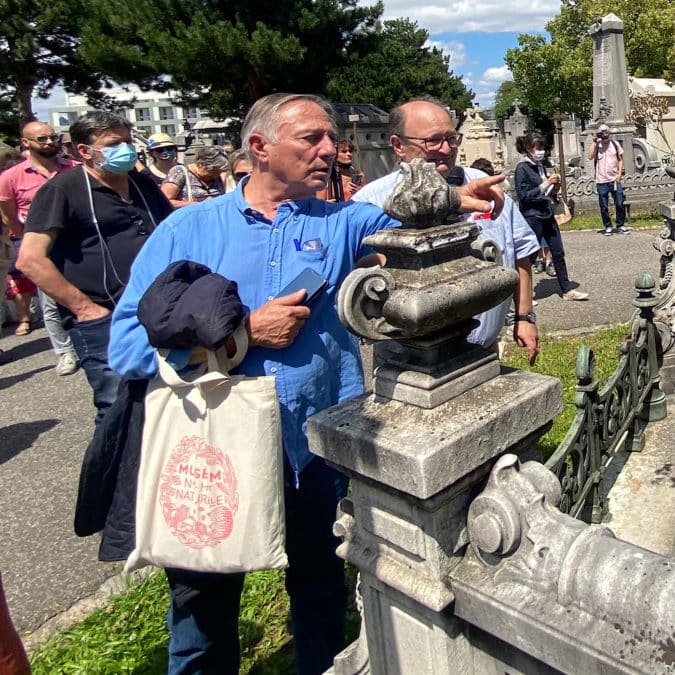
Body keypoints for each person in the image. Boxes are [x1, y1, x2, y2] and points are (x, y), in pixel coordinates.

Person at [108, 92, 505, 675]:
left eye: (331, 138)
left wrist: (453, 196)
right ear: (260, 148)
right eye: (312, 139)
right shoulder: (188, 230)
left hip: (314, 448)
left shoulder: (342, 222)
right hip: (218, 451)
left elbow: (404, 215)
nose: (330, 150)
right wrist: (240, 337)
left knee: (320, 586)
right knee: (202, 606)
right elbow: (126, 344)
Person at [355, 98, 540, 365]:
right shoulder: (371, 202)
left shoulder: (484, 184)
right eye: (433, 141)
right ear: (398, 145)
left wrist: (524, 317)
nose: (446, 149)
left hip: (484, 351)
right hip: (409, 365)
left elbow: (520, 252)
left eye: (451, 139)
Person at [16, 111, 173, 423]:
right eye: (115, 144)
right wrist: (85, 308)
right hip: (103, 318)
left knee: (164, 404)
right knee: (117, 408)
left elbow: (173, 230)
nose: (126, 150)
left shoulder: (142, 184)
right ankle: (112, 473)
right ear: (84, 151)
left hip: (160, 310)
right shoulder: (62, 190)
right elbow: (30, 259)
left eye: (129, 142)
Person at [0, 121, 81, 375]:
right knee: (51, 304)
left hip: (79, 243)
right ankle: (65, 351)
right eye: (41, 139)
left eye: (52, 137)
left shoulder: (75, 169)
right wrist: (29, 239)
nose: (49, 142)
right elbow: (9, 217)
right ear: (26, 143)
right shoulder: (11, 178)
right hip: (43, 249)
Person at [514, 132, 589, 301]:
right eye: (538, 148)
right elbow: (524, 195)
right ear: (528, 149)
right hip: (532, 216)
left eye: (542, 148)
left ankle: (567, 290)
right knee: (530, 255)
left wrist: (554, 187)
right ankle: (523, 295)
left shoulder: (540, 166)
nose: (541, 152)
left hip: (547, 213)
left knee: (558, 252)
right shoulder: (522, 168)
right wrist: (546, 183)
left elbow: (545, 192)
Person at [587, 123, 629, 236]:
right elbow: (590, 156)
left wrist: (620, 174)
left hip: (614, 179)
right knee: (604, 205)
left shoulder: (615, 144)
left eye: (606, 131)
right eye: (602, 132)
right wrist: (594, 141)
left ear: (609, 132)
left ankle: (620, 225)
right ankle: (608, 226)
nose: (604, 134)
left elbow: (620, 159)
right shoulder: (597, 145)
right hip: (601, 180)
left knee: (619, 203)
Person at [161, 146, 229, 207]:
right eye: (213, 172)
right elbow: (164, 201)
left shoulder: (218, 177)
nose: (216, 175)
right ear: (200, 164)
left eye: (219, 172)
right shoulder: (180, 173)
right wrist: (198, 205)